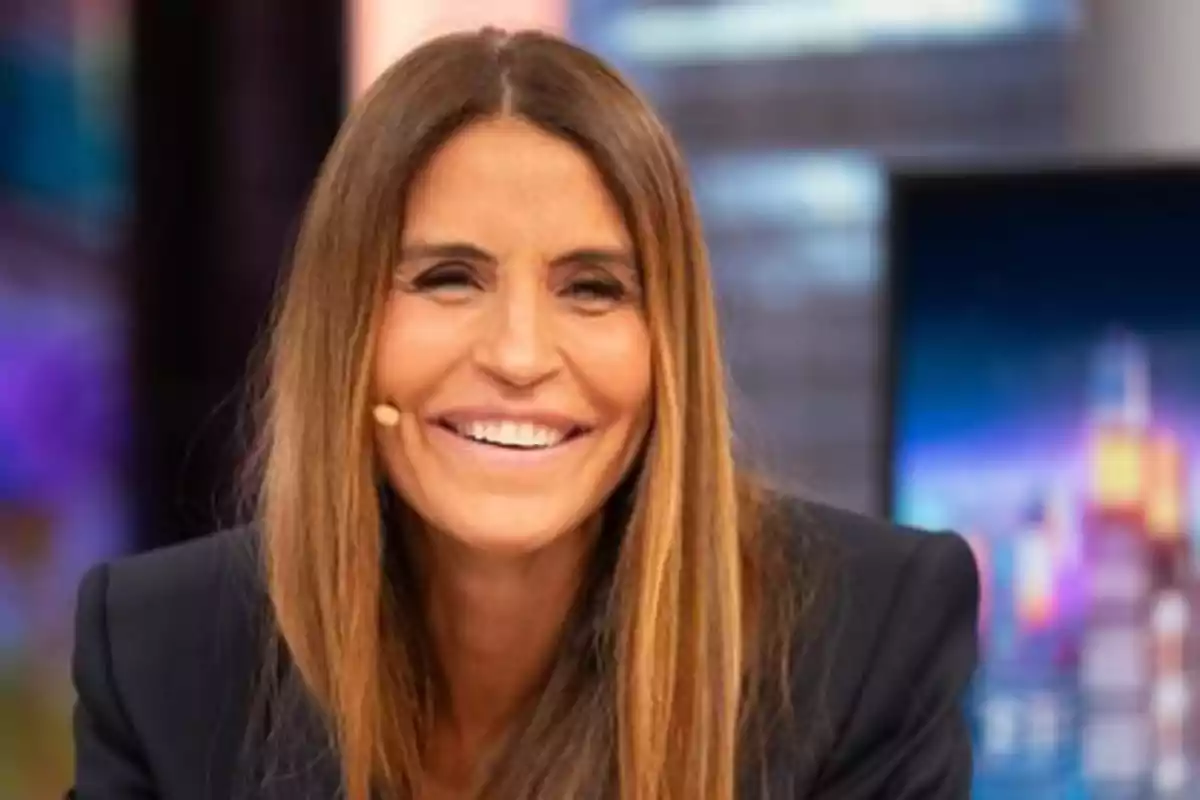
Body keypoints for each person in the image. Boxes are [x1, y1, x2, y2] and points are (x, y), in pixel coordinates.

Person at [68, 28, 978, 800]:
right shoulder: (163, 652)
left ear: (670, 349)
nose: (518, 356)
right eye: (447, 279)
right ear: (346, 332)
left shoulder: (865, 637)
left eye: (593, 288)